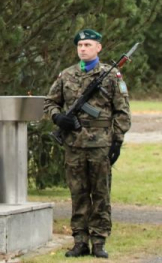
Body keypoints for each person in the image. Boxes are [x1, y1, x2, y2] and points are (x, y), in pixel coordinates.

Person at [44, 29, 131, 259]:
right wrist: (57, 117)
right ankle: (80, 241)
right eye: (80, 45)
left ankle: (99, 240)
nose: (83, 49)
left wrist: (117, 141)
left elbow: (122, 112)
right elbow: (50, 102)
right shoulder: (67, 75)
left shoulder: (112, 76)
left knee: (101, 194)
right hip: (74, 145)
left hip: (101, 145)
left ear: (98, 48)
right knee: (78, 194)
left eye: (88, 45)